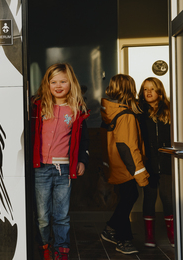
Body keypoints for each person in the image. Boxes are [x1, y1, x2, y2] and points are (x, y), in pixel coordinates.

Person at [31, 63, 89, 260]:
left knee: (61, 215)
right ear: (47, 84)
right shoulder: (38, 106)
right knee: (42, 217)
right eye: (53, 81)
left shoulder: (76, 110)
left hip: (64, 168)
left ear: (70, 83)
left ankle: (61, 250)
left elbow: (83, 139)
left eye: (63, 81)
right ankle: (44, 246)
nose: (58, 85)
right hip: (41, 169)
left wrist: (82, 160)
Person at [100, 74, 150, 254]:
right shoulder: (126, 115)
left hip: (115, 166)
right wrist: (140, 174)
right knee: (129, 198)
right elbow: (128, 148)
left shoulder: (109, 111)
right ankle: (123, 240)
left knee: (127, 198)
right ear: (130, 89)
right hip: (126, 167)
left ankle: (111, 229)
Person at [138, 77, 174, 248]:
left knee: (167, 198)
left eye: (152, 89)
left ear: (159, 91)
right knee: (149, 198)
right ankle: (149, 236)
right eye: (145, 89)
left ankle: (172, 235)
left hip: (167, 163)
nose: (149, 92)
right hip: (148, 163)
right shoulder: (140, 112)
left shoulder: (170, 110)